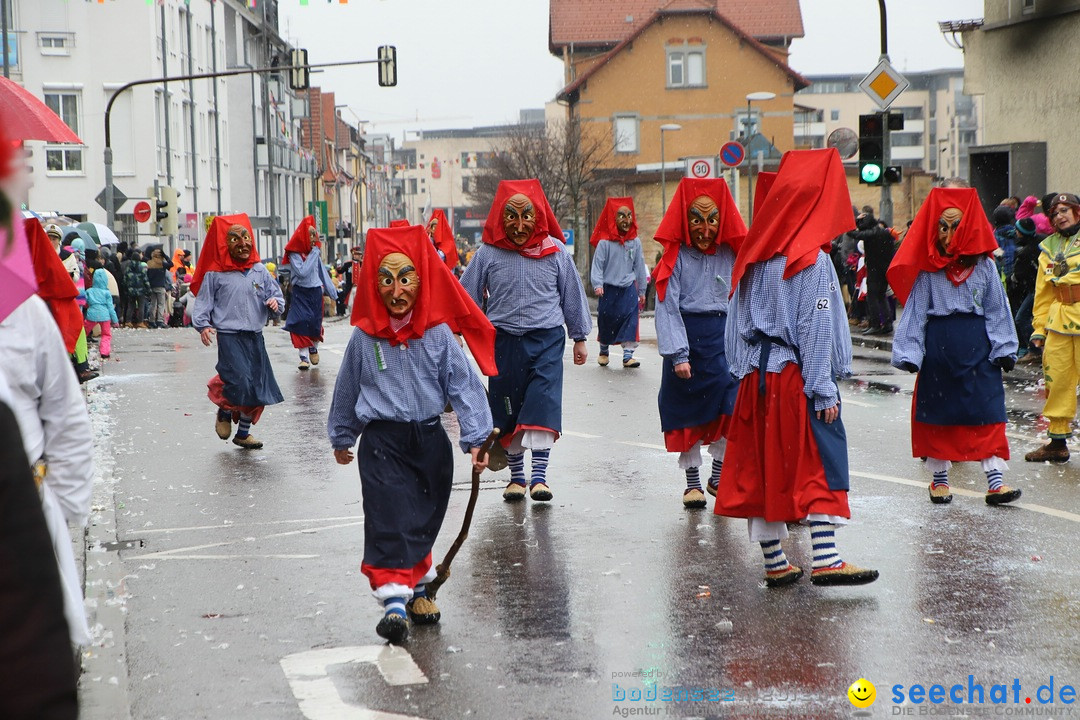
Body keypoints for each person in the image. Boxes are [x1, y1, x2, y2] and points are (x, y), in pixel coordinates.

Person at [716, 148, 879, 588]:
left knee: (764, 466)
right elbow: (816, 324)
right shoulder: (813, 261)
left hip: (757, 376)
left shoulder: (755, 255)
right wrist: (823, 387)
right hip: (792, 376)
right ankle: (825, 559)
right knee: (816, 461)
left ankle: (775, 562)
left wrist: (743, 369)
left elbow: (736, 320)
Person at [327, 224, 495, 645]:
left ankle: (419, 589)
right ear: (373, 283)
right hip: (382, 443)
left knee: (421, 518)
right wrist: (343, 434)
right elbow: (347, 386)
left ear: (421, 281)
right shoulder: (365, 340)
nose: (397, 290)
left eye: (405, 279)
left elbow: (464, 386)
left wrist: (477, 439)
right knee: (389, 517)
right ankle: (395, 605)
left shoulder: (438, 336)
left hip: (429, 442)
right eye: (386, 280)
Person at [460, 179, 591, 502]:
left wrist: (579, 337)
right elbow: (466, 296)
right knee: (508, 411)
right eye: (512, 217)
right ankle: (517, 478)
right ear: (500, 219)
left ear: (539, 216)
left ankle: (540, 478)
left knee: (541, 405)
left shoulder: (556, 252)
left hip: (546, 340)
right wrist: (456, 332)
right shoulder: (488, 254)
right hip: (502, 343)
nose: (519, 225)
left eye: (526, 216)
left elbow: (572, 295)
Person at [889, 187, 1020, 505]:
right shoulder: (930, 271)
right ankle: (939, 480)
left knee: (987, 414)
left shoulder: (986, 266)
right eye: (942, 227)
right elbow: (916, 311)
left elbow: (997, 308)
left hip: (980, 348)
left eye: (956, 226)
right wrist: (908, 351)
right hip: (940, 351)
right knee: (939, 417)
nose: (948, 235)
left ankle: (996, 482)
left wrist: (1003, 347)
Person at [653, 179, 746, 508]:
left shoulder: (732, 254)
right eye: (696, 221)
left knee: (730, 410)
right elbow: (666, 305)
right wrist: (679, 353)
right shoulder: (675, 257)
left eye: (711, 220)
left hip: (724, 340)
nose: (705, 230)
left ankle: (717, 476)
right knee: (686, 414)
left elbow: (743, 300)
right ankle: (692, 483)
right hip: (688, 338)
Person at [191, 214, 285, 449]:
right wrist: (202, 325)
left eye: (245, 238)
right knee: (239, 381)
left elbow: (275, 296)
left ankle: (243, 433)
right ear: (226, 244)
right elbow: (203, 301)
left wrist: (274, 303)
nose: (242, 244)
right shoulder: (216, 274)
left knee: (258, 386)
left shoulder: (260, 271)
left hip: (255, 336)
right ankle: (224, 409)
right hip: (230, 336)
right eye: (235, 239)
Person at [1026, 193, 1080, 462]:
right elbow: (1042, 293)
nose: (1060, 216)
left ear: (1076, 212)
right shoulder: (1048, 248)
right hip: (1058, 323)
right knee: (1057, 381)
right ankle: (1057, 443)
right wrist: (1039, 329)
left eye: (1064, 210)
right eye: (1055, 213)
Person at [589, 197, 648, 368]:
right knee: (606, 319)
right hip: (608, 288)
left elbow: (639, 266)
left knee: (631, 320)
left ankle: (628, 355)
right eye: (622, 216)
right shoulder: (604, 243)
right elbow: (598, 265)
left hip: (628, 288)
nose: (626, 220)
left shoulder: (635, 242)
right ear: (613, 219)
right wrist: (597, 284)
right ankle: (604, 350)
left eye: (629, 216)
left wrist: (642, 291)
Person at [283, 216, 338, 370]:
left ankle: (313, 348)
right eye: (311, 236)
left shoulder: (314, 253)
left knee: (314, 323)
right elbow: (302, 272)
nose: (314, 240)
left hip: (315, 292)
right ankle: (303, 357)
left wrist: (332, 292)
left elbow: (321, 273)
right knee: (298, 323)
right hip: (300, 292)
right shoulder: (295, 255)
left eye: (315, 236)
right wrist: (314, 254)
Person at [851, 209, 895, 335]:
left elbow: (854, 234)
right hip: (884, 268)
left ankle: (875, 324)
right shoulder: (885, 233)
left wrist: (853, 222)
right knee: (881, 296)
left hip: (875, 269)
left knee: (872, 297)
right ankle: (887, 323)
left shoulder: (871, 233)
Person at [84, 267, 119, 359]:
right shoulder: (107, 293)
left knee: (84, 332)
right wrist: (115, 321)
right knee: (106, 335)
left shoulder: (89, 291)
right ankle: (104, 352)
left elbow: (84, 303)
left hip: (91, 314)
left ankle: (80, 349)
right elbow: (111, 308)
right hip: (105, 315)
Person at [145, 245, 173, 328]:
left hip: (152, 286)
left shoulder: (149, 263)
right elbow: (171, 264)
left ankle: (152, 321)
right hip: (160, 286)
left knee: (153, 304)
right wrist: (166, 256)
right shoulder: (162, 264)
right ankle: (160, 321)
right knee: (161, 304)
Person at [337, 245, 363, 316]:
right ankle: (352, 315)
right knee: (350, 303)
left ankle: (359, 315)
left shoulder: (363, 264)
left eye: (359, 254)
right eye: (356, 254)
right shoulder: (348, 264)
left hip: (360, 287)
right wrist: (338, 266)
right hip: (351, 287)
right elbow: (340, 271)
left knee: (361, 303)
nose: (358, 256)